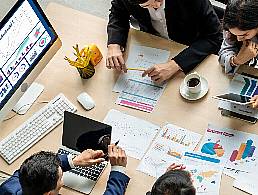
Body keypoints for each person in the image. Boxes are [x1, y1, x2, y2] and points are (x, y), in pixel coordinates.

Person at [107, 0, 222, 84]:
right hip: (152, 44)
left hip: (188, 47)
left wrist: (174, 65)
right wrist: (114, 44)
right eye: (147, 5)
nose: (158, 5)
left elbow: (215, 36)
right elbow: (117, 11)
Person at [0, 145, 130, 195]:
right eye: (60, 178)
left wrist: (74, 161)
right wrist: (118, 170)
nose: (62, 182)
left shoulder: (9, 188)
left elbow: (27, 167)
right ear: (49, 193)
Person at [218, 0, 258, 108]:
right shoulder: (232, 23)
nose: (239, 39)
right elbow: (223, 53)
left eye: (244, 34)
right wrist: (237, 60)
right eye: (234, 34)